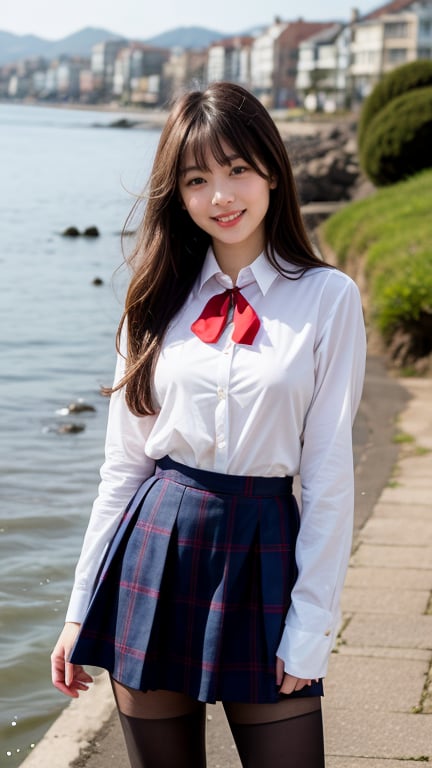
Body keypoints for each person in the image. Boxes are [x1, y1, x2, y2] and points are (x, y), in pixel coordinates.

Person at [51, 82, 366, 768]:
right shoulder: (152, 303)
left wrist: (313, 624)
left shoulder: (326, 300)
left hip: (264, 549)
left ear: (272, 173)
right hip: (156, 549)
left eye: (237, 170)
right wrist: (80, 610)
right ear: (178, 194)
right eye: (197, 179)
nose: (221, 195)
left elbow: (329, 475)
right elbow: (122, 468)